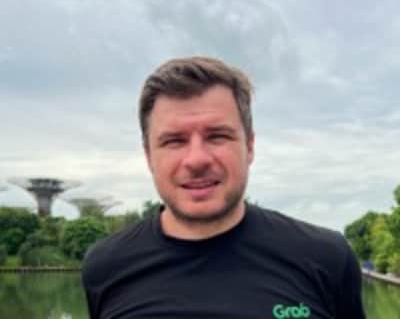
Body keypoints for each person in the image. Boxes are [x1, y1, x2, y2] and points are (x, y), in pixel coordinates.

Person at [82, 56, 365, 319]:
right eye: (174, 141)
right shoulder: (105, 267)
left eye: (217, 136)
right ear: (148, 156)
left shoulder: (326, 258)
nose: (196, 160)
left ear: (249, 147)